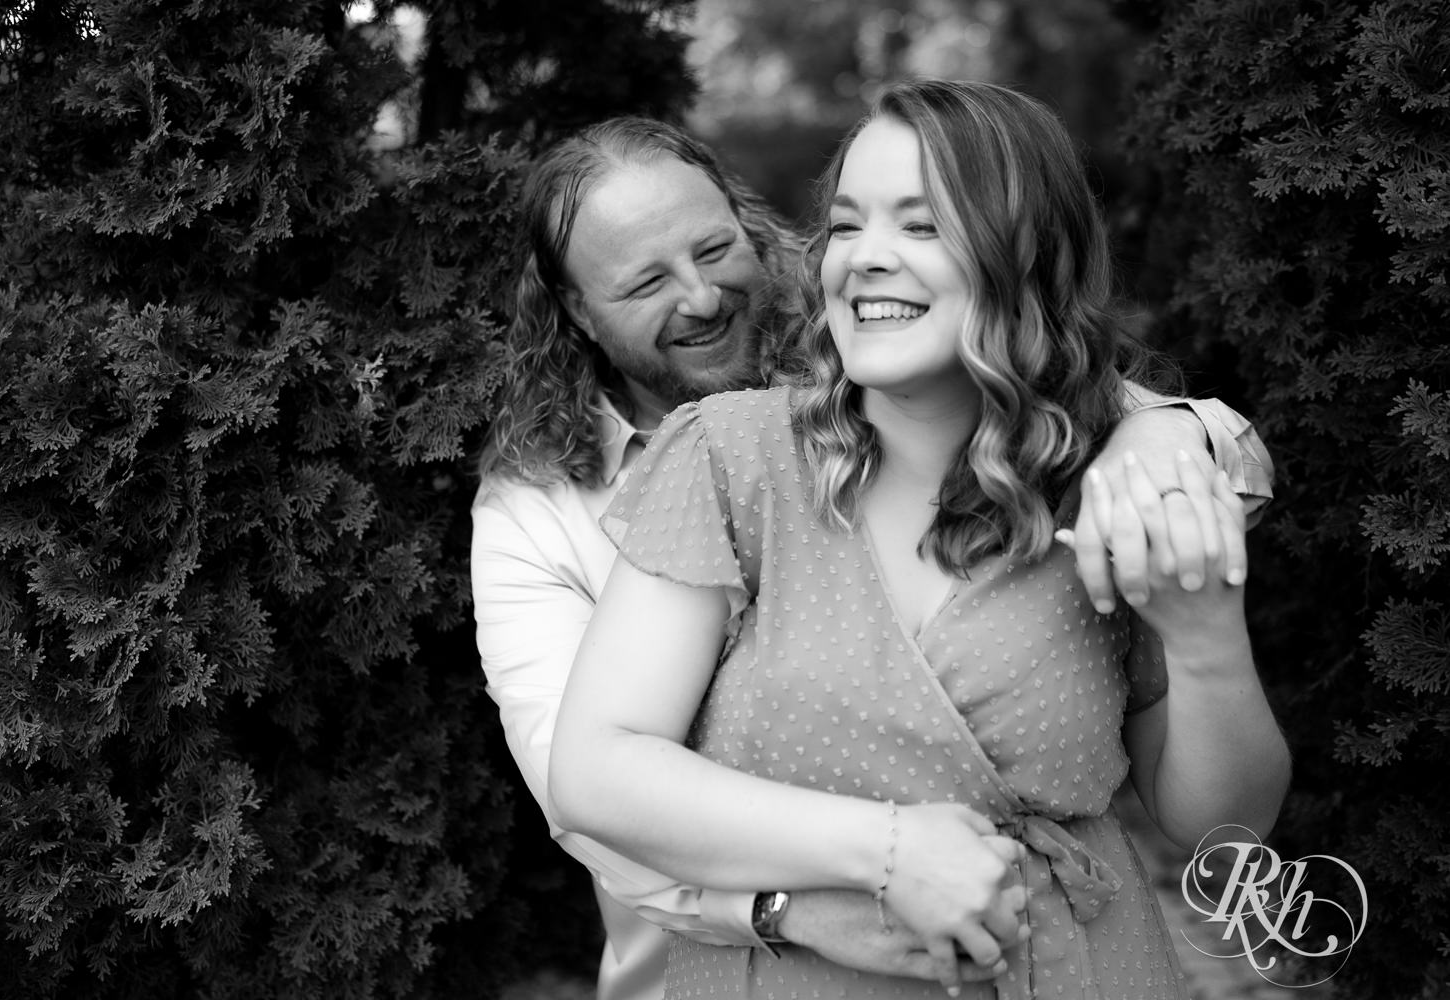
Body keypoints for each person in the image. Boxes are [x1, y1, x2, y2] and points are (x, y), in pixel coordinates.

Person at [473, 116, 1274, 1000]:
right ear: (578, 313)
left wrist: (1169, 447)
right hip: (741, 963)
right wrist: (805, 898)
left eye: (713, 249)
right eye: (849, 224)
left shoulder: (1085, 468)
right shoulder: (592, 498)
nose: (700, 299)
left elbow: (1219, 827)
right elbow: (588, 784)